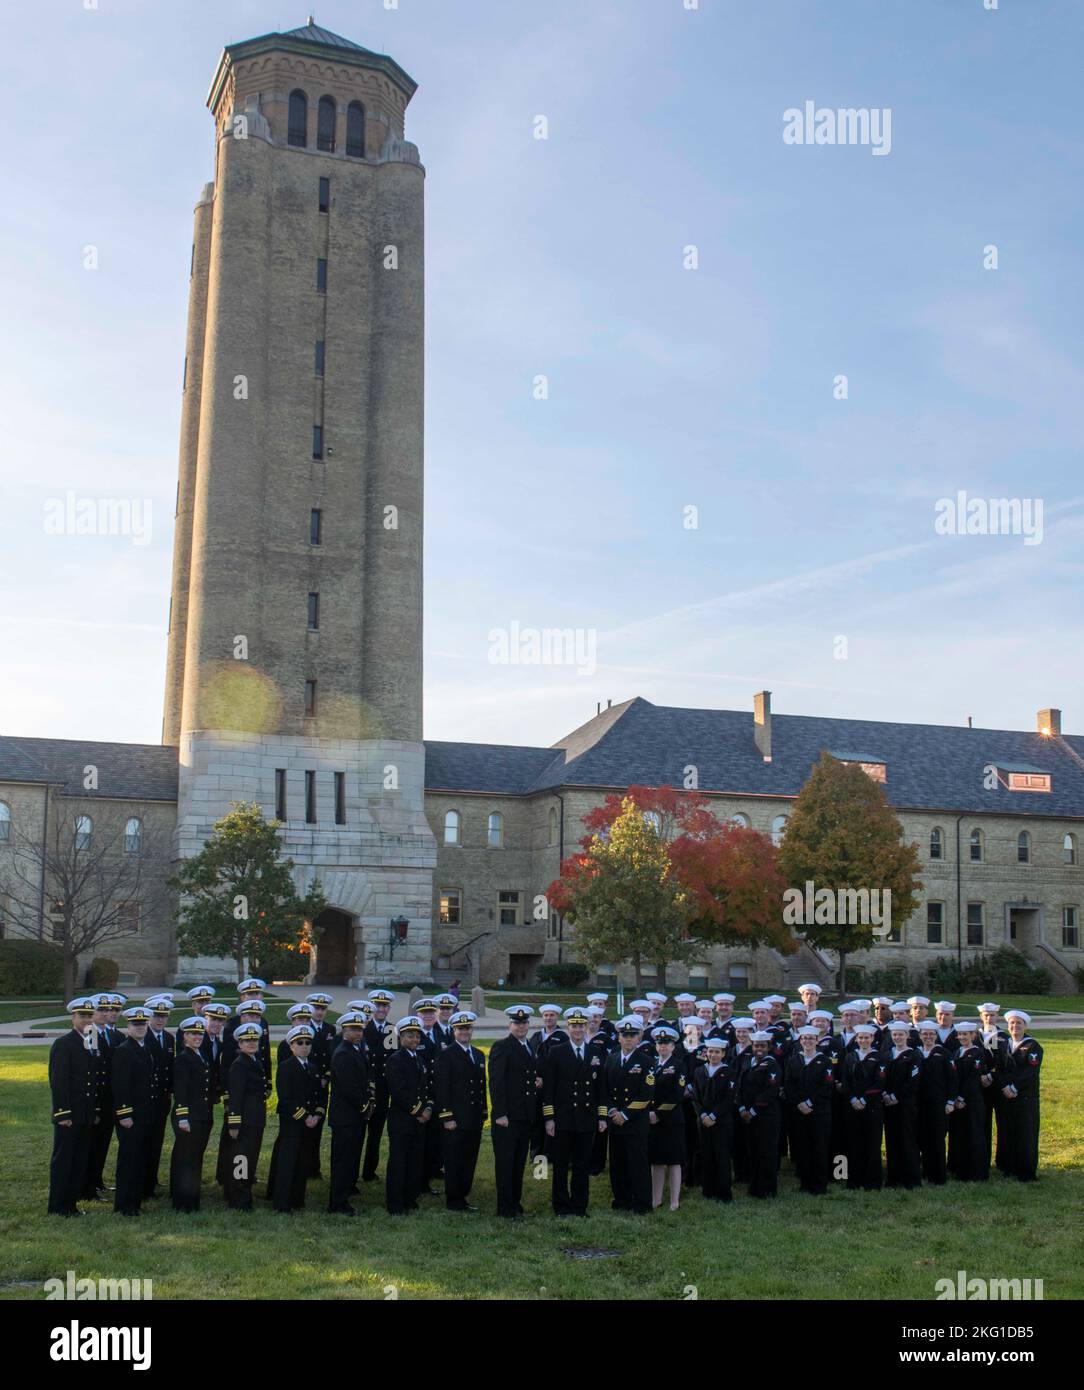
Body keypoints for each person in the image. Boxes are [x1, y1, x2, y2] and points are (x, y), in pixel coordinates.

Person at [543, 1006, 607, 1217]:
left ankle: (580, 1206)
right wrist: (549, 1118)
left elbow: (601, 1089)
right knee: (560, 1165)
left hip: (586, 1118)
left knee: (582, 1166)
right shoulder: (556, 1052)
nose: (578, 1029)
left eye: (581, 1025)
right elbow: (549, 1088)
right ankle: (561, 1206)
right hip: (563, 1118)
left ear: (587, 1026)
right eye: (574, 1026)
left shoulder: (596, 1053)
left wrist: (602, 1116)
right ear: (568, 1027)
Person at [48, 997, 103, 1216]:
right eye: (82, 1015)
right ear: (73, 1017)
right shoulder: (63, 1043)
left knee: (79, 1160)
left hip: (87, 1113)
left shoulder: (91, 1039)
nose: (87, 1019)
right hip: (69, 1113)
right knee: (64, 1161)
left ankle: (71, 1204)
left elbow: (94, 1078)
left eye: (90, 1015)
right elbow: (59, 1081)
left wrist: (96, 1110)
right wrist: (63, 1113)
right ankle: (58, 1206)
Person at [488, 1005, 541, 1220]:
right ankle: (504, 1207)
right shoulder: (502, 1046)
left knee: (518, 1163)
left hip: (524, 1115)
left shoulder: (529, 1046)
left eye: (524, 1023)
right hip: (507, 1117)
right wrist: (500, 1113)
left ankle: (515, 1202)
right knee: (505, 1164)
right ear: (509, 1025)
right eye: (517, 1023)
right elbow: (497, 1083)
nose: (521, 1026)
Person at [435, 1009, 487, 1211]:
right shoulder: (446, 1054)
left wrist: (483, 1112)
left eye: (467, 1028)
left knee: (469, 1158)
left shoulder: (478, 1054)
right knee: (454, 1160)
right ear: (454, 1031)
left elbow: (481, 1086)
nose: (464, 1032)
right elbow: (442, 1088)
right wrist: (447, 1116)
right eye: (460, 1029)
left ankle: (463, 1195)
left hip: (474, 1118)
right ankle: (454, 1200)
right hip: (455, 1118)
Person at [603, 1016, 655, 1214]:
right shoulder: (612, 1058)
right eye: (624, 1035)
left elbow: (647, 1094)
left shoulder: (646, 1061)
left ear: (640, 1037)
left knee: (638, 1163)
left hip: (635, 1121)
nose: (628, 1039)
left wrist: (625, 1114)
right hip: (615, 1120)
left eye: (632, 1035)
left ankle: (641, 1203)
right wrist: (612, 1111)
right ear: (618, 1037)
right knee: (618, 1163)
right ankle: (621, 1199)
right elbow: (605, 1089)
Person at [270, 1024, 324, 1213]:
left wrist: (317, 1115)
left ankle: (297, 1199)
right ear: (291, 1046)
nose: (304, 1046)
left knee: (302, 1162)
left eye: (308, 1042)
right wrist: (305, 1117)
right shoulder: (286, 1067)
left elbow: (321, 1096)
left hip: (310, 1124)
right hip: (292, 1123)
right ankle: (282, 1203)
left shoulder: (314, 1068)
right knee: (287, 1163)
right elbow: (286, 1098)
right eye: (299, 1043)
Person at [110, 1005, 159, 1216]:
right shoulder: (123, 1050)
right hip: (131, 1116)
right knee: (129, 1161)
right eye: (135, 1024)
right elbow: (120, 1086)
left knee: (140, 1159)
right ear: (128, 1026)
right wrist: (124, 1113)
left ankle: (135, 1201)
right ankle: (124, 1204)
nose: (140, 1027)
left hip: (145, 1115)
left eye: (143, 1024)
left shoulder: (144, 1047)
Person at [327, 1009, 374, 1214]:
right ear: (344, 1030)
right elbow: (349, 1087)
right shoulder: (343, 1052)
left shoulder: (354, 1049)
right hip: (346, 1116)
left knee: (351, 1158)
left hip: (354, 1116)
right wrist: (365, 1106)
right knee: (343, 1161)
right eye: (353, 1029)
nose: (358, 1033)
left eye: (360, 1029)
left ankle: (345, 1196)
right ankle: (337, 1203)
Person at [385, 1016, 433, 1214]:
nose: (414, 1040)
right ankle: (395, 1203)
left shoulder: (419, 1059)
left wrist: (428, 1109)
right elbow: (399, 1091)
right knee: (399, 1162)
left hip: (419, 1121)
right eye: (409, 1036)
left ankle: (410, 1197)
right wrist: (419, 1111)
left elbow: (426, 1088)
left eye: (417, 1036)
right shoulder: (396, 1060)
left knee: (414, 1161)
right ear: (401, 1037)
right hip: (402, 1120)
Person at [170, 1016, 213, 1212]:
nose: (197, 1037)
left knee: (195, 1159)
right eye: (193, 1034)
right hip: (188, 1117)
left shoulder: (199, 1055)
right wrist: (182, 1117)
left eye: (200, 1034)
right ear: (184, 1036)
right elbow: (181, 1091)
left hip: (201, 1115)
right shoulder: (183, 1058)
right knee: (185, 1159)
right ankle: (182, 1201)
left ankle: (192, 1199)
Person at [784, 1024, 833, 1195]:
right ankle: (805, 1183)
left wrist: (810, 1103)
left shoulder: (825, 1061)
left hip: (819, 1112)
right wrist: (799, 1103)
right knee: (802, 1148)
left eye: (811, 1038)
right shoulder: (793, 1060)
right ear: (800, 1040)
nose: (807, 1041)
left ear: (817, 1040)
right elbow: (789, 1085)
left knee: (819, 1148)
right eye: (804, 1038)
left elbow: (826, 1087)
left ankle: (819, 1185)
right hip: (799, 1111)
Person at [223, 1020, 266, 1210]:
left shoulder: (255, 1061)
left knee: (251, 1157)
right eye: (247, 1040)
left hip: (255, 1119)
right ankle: (238, 1199)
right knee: (241, 1160)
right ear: (239, 1044)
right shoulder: (240, 1065)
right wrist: (234, 1124)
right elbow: (236, 1096)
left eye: (254, 1040)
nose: (251, 1043)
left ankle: (245, 1192)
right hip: (245, 1121)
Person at [80, 992, 118, 1201]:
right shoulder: (90, 1033)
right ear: (92, 1013)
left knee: (103, 1142)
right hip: (96, 1099)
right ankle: (87, 1187)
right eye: (101, 1010)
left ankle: (97, 1180)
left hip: (109, 1099)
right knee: (92, 1144)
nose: (106, 1013)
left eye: (109, 1010)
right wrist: (93, 1104)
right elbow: (90, 1069)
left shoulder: (110, 1033)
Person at [997, 1009, 1043, 1182]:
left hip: (1025, 1097)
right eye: (1012, 1023)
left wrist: (1014, 1087)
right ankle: (1009, 1167)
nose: (1015, 1026)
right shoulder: (1003, 1044)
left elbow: (1030, 1072)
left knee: (1026, 1133)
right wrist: (1004, 1087)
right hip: (1006, 1096)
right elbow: (999, 1069)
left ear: (1025, 1026)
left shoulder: (1033, 1046)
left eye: (1018, 1023)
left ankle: (1026, 1171)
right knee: (1008, 1132)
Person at [737, 1030, 781, 1198]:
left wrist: (753, 1110)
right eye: (756, 1045)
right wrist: (742, 1108)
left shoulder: (773, 1065)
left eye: (763, 1046)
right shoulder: (748, 1062)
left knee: (767, 1152)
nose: (759, 1049)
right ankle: (754, 1187)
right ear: (752, 1046)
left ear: (769, 1047)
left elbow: (770, 1091)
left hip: (766, 1115)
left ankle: (768, 1189)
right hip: (748, 1115)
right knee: (753, 1151)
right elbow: (740, 1087)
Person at [692, 1037, 735, 1203]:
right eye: (710, 1051)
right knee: (706, 1154)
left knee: (722, 1155)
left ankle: (724, 1192)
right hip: (703, 1121)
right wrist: (702, 1115)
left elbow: (729, 1098)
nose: (713, 1055)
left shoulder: (728, 1072)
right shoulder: (699, 1071)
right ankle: (708, 1190)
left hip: (721, 1121)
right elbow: (695, 1097)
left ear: (723, 1054)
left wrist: (714, 1115)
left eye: (717, 1052)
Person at [842, 1023, 884, 1191]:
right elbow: (845, 1081)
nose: (864, 1040)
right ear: (857, 1039)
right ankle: (854, 1179)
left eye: (867, 1037)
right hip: (853, 1107)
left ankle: (872, 1182)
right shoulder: (850, 1057)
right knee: (854, 1144)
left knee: (872, 1145)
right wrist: (853, 1098)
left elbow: (880, 1082)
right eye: (861, 1038)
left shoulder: (879, 1058)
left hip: (872, 1107)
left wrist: (864, 1099)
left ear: (872, 1039)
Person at [648, 1025, 686, 1210]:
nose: (663, 1047)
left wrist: (658, 1113)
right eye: (660, 1043)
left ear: (673, 1046)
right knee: (656, 1160)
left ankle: (674, 1200)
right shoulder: (652, 1064)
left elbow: (677, 1095)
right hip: (652, 1120)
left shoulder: (678, 1065)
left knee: (673, 1160)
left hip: (671, 1120)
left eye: (667, 1043)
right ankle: (656, 1199)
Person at [916, 1018, 957, 1185]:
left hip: (939, 1103)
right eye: (924, 1034)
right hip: (919, 1104)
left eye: (931, 1034)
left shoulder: (944, 1054)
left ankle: (938, 1175)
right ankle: (925, 1171)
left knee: (937, 1138)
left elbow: (953, 1079)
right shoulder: (916, 1054)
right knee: (922, 1137)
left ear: (936, 1035)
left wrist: (950, 1101)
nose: (928, 1037)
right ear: (919, 1035)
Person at [883, 1018, 923, 1190]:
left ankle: (911, 1179)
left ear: (907, 1035)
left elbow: (913, 1082)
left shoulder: (913, 1056)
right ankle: (893, 1178)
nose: (897, 1037)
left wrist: (896, 1096)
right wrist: (886, 1095)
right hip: (888, 1104)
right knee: (891, 1141)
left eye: (900, 1034)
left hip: (905, 1104)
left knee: (907, 1140)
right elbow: (881, 1078)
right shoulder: (886, 1055)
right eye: (895, 1034)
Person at [142, 995, 175, 1198]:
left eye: (164, 1015)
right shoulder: (142, 1036)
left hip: (162, 1099)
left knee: (157, 1141)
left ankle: (152, 1179)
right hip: (146, 1100)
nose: (160, 1019)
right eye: (157, 1015)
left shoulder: (169, 1039)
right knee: (144, 1143)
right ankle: (143, 1182)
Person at [362, 988, 396, 1182]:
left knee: (375, 1134)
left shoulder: (391, 1030)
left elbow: (391, 1059)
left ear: (389, 1008)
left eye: (384, 1006)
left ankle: (369, 1171)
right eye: (378, 1005)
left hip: (382, 1090)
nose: (381, 1009)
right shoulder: (363, 1028)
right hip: (366, 1088)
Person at [948, 1021, 989, 1182]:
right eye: (960, 1034)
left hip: (972, 1100)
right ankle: (961, 1169)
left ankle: (976, 1172)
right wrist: (955, 1097)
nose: (963, 1037)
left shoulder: (977, 1053)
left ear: (973, 1035)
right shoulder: (956, 1052)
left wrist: (962, 1097)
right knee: (960, 1135)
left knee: (974, 1135)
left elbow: (973, 1079)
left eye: (967, 1034)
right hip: (958, 1101)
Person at [530, 1004, 569, 1160]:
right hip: (536, 1087)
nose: (548, 1018)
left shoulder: (563, 1038)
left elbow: (563, 1065)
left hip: (553, 1087)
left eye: (551, 1015)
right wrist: (534, 1078)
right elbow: (529, 1060)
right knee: (536, 1120)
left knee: (551, 1119)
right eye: (546, 1015)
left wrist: (546, 1080)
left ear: (557, 1017)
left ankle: (549, 1153)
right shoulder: (536, 1037)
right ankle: (535, 1153)